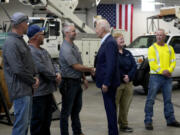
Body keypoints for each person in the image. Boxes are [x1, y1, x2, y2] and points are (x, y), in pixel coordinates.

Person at [2, 12, 39, 135]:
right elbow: (17, 69)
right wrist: (33, 80)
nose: (28, 25)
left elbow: (26, 63)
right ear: (21, 24)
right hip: (20, 90)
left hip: (26, 89)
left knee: (25, 124)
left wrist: (34, 76)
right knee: (21, 125)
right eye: (26, 23)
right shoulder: (11, 43)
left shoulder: (19, 40)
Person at [59, 23, 95, 135]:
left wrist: (84, 77)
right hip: (68, 83)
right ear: (66, 33)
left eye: (75, 31)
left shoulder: (73, 45)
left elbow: (79, 63)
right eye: (73, 31)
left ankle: (77, 132)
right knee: (66, 112)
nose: (76, 33)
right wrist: (91, 69)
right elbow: (75, 66)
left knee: (76, 110)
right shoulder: (66, 48)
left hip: (76, 82)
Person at [26, 24, 61, 135]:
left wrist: (57, 72)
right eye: (42, 34)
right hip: (38, 94)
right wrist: (55, 76)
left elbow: (53, 63)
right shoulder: (31, 51)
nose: (44, 36)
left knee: (46, 121)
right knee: (38, 122)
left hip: (47, 92)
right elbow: (42, 68)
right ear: (35, 37)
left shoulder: (43, 50)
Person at [144, 28, 180, 130]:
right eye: (157, 35)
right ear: (156, 36)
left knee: (168, 100)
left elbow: (173, 61)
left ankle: (170, 120)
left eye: (161, 35)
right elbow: (152, 63)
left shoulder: (170, 48)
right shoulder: (152, 48)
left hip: (167, 78)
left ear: (165, 36)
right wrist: (162, 71)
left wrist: (169, 70)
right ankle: (148, 121)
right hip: (155, 77)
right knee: (150, 100)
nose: (159, 37)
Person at [95, 19, 120, 135]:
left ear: (102, 28)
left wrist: (106, 82)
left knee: (110, 109)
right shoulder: (107, 41)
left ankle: (113, 132)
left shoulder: (109, 42)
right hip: (107, 81)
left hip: (108, 83)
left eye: (96, 27)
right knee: (110, 109)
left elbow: (111, 64)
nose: (95, 30)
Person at [113, 33, 137, 132]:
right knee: (114, 105)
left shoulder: (127, 52)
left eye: (123, 39)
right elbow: (114, 68)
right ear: (115, 41)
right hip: (117, 84)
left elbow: (134, 65)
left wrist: (129, 76)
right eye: (120, 39)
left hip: (128, 84)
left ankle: (123, 125)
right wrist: (123, 77)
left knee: (125, 105)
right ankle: (113, 125)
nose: (122, 40)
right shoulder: (113, 53)